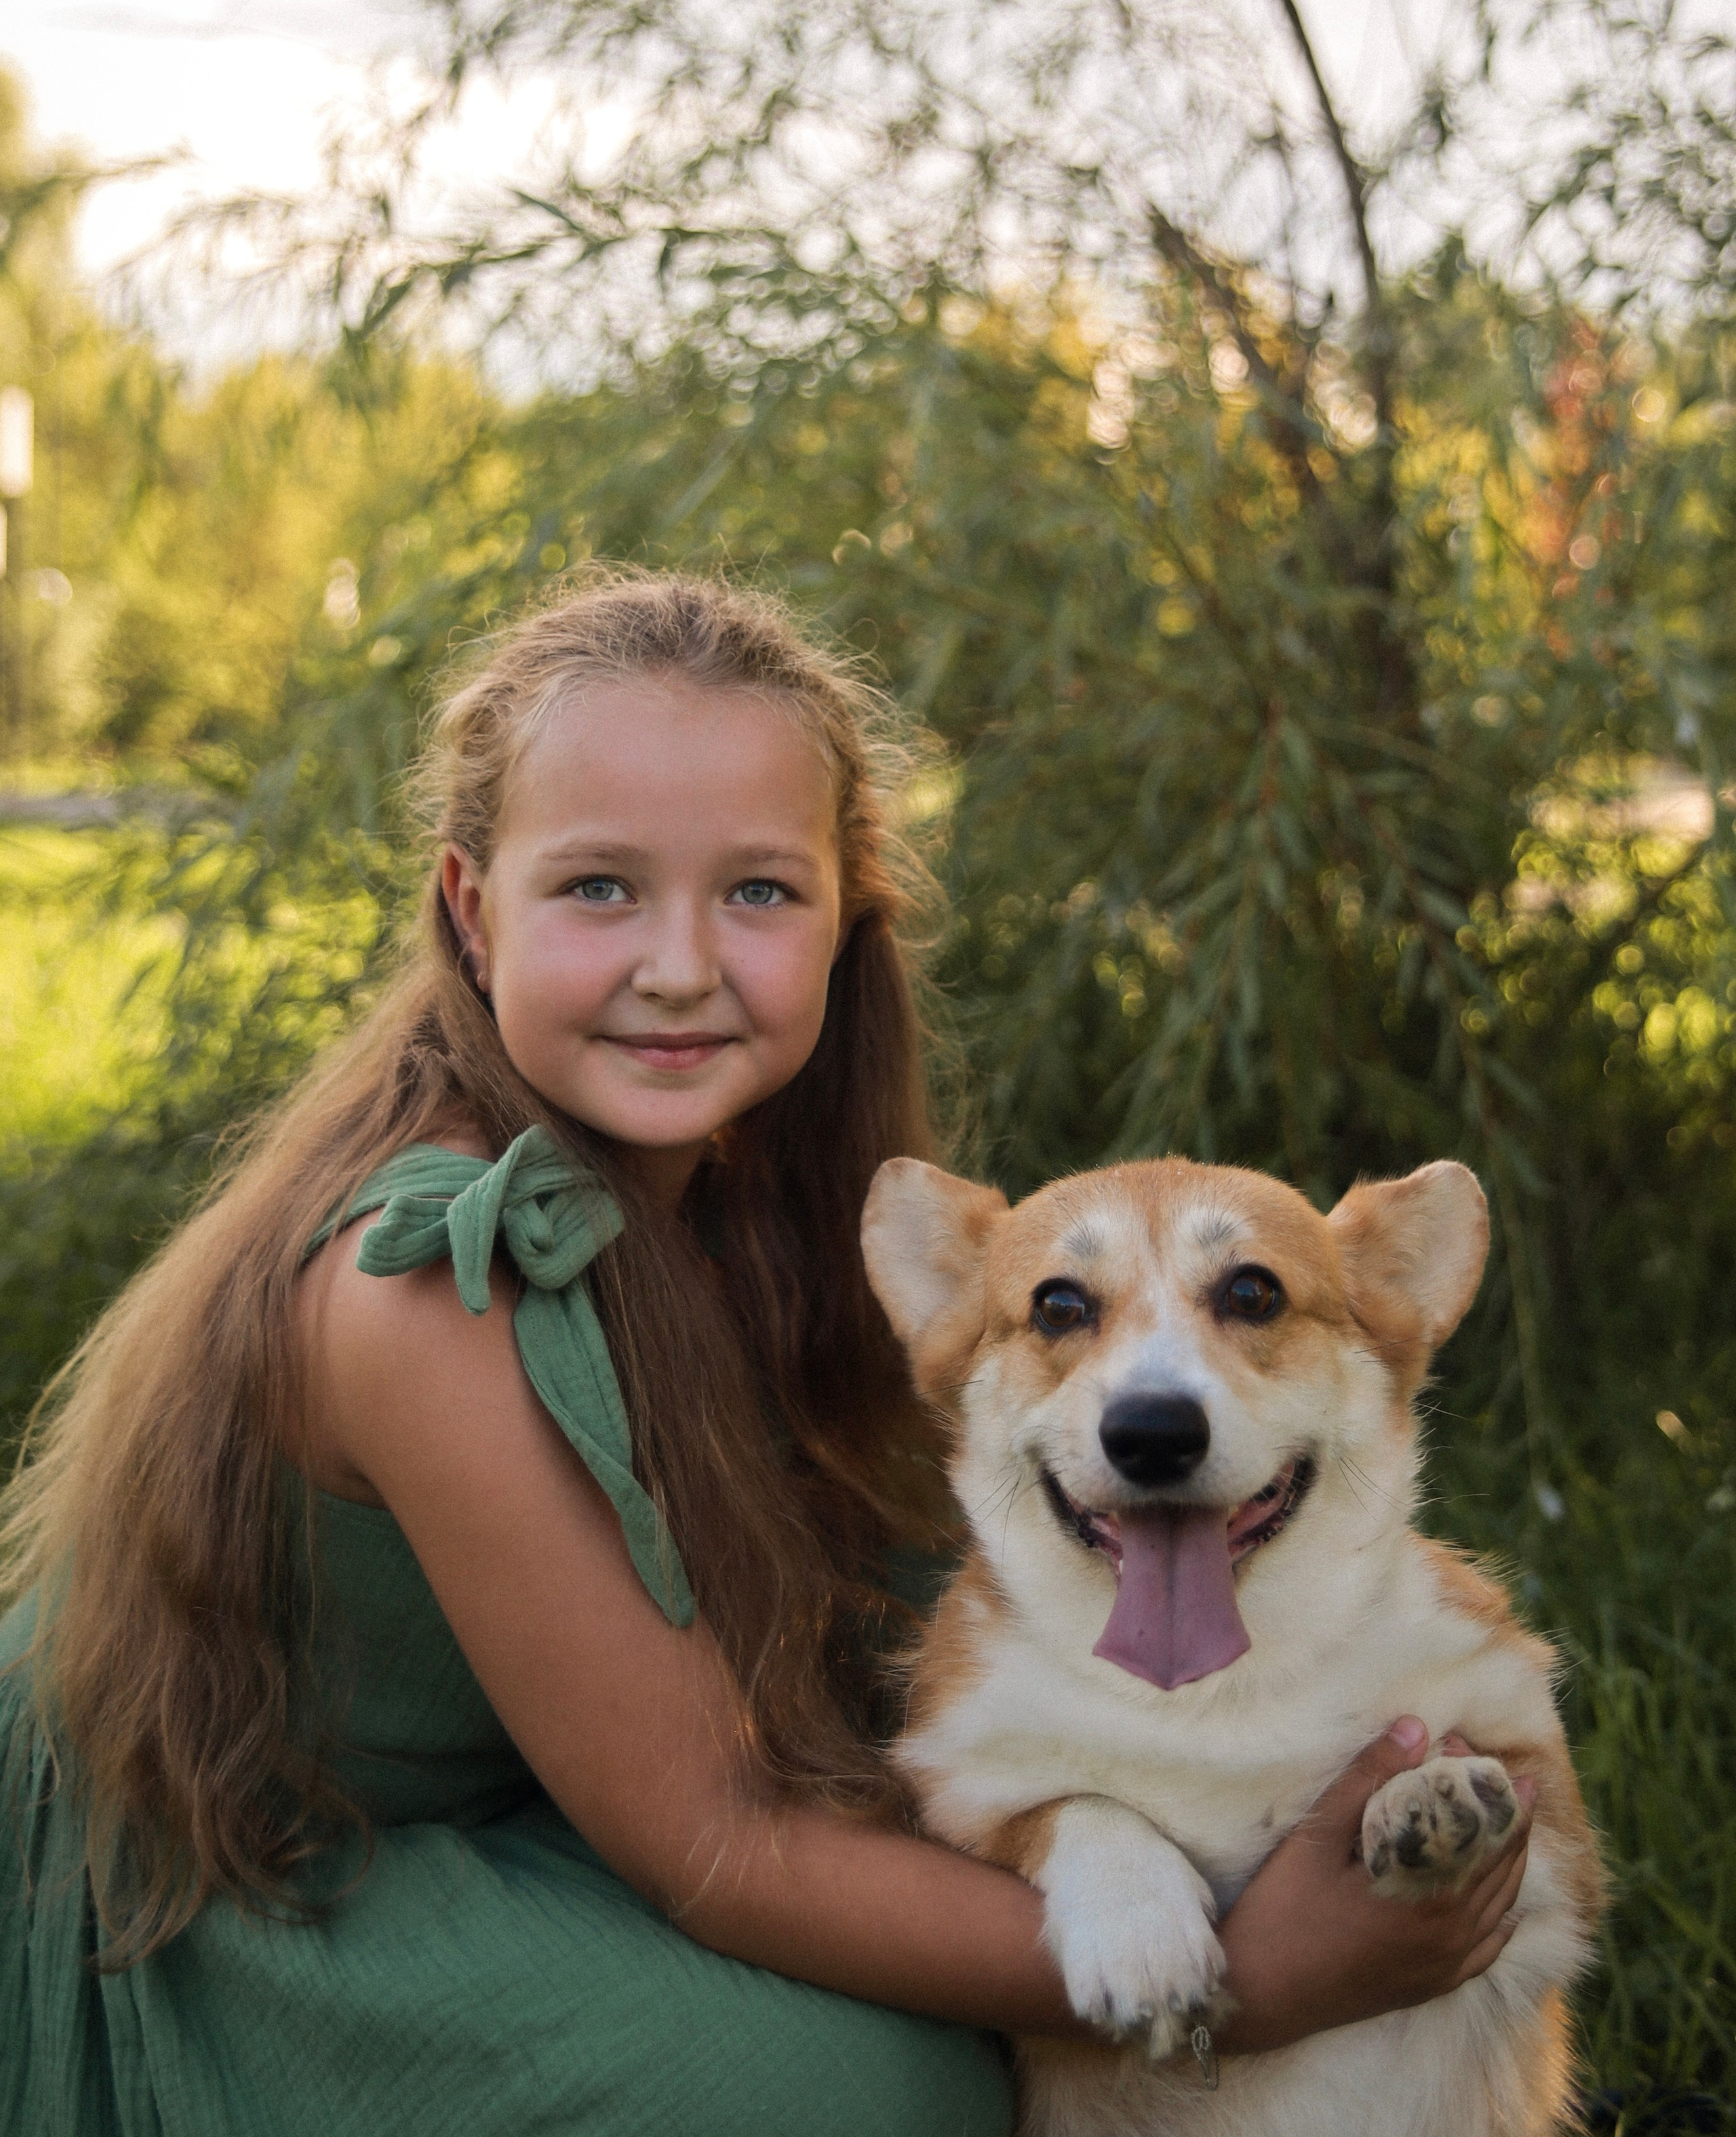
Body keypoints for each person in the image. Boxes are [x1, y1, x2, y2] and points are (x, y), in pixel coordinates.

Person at [0, 571, 1533, 2137]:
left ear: (845, 914)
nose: (679, 964)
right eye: (597, 889)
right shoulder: (425, 1288)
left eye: (756, 893)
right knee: (882, 2083)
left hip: (510, 1812)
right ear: (471, 909)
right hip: (219, 1886)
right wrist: (1245, 1978)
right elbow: (712, 1849)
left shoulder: (741, 1191)